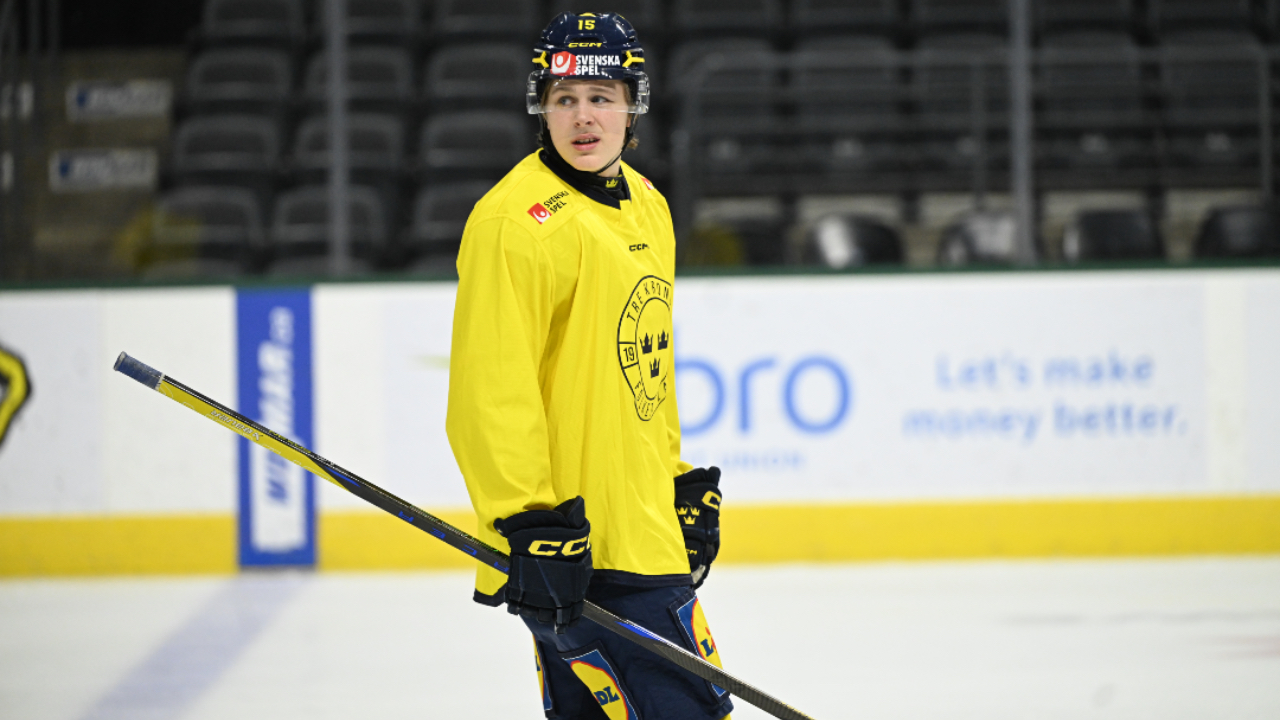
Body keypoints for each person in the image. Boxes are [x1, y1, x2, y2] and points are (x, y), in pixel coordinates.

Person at [445, 11, 732, 720]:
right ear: (540, 106)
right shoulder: (514, 223)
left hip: (642, 531)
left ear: (632, 108)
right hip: (572, 546)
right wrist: (526, 520)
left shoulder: (648, 205)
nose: (582, 117)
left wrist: (671, 478)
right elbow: (491, 390)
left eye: (601, 97)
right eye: (564, 98)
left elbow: (645, 368)